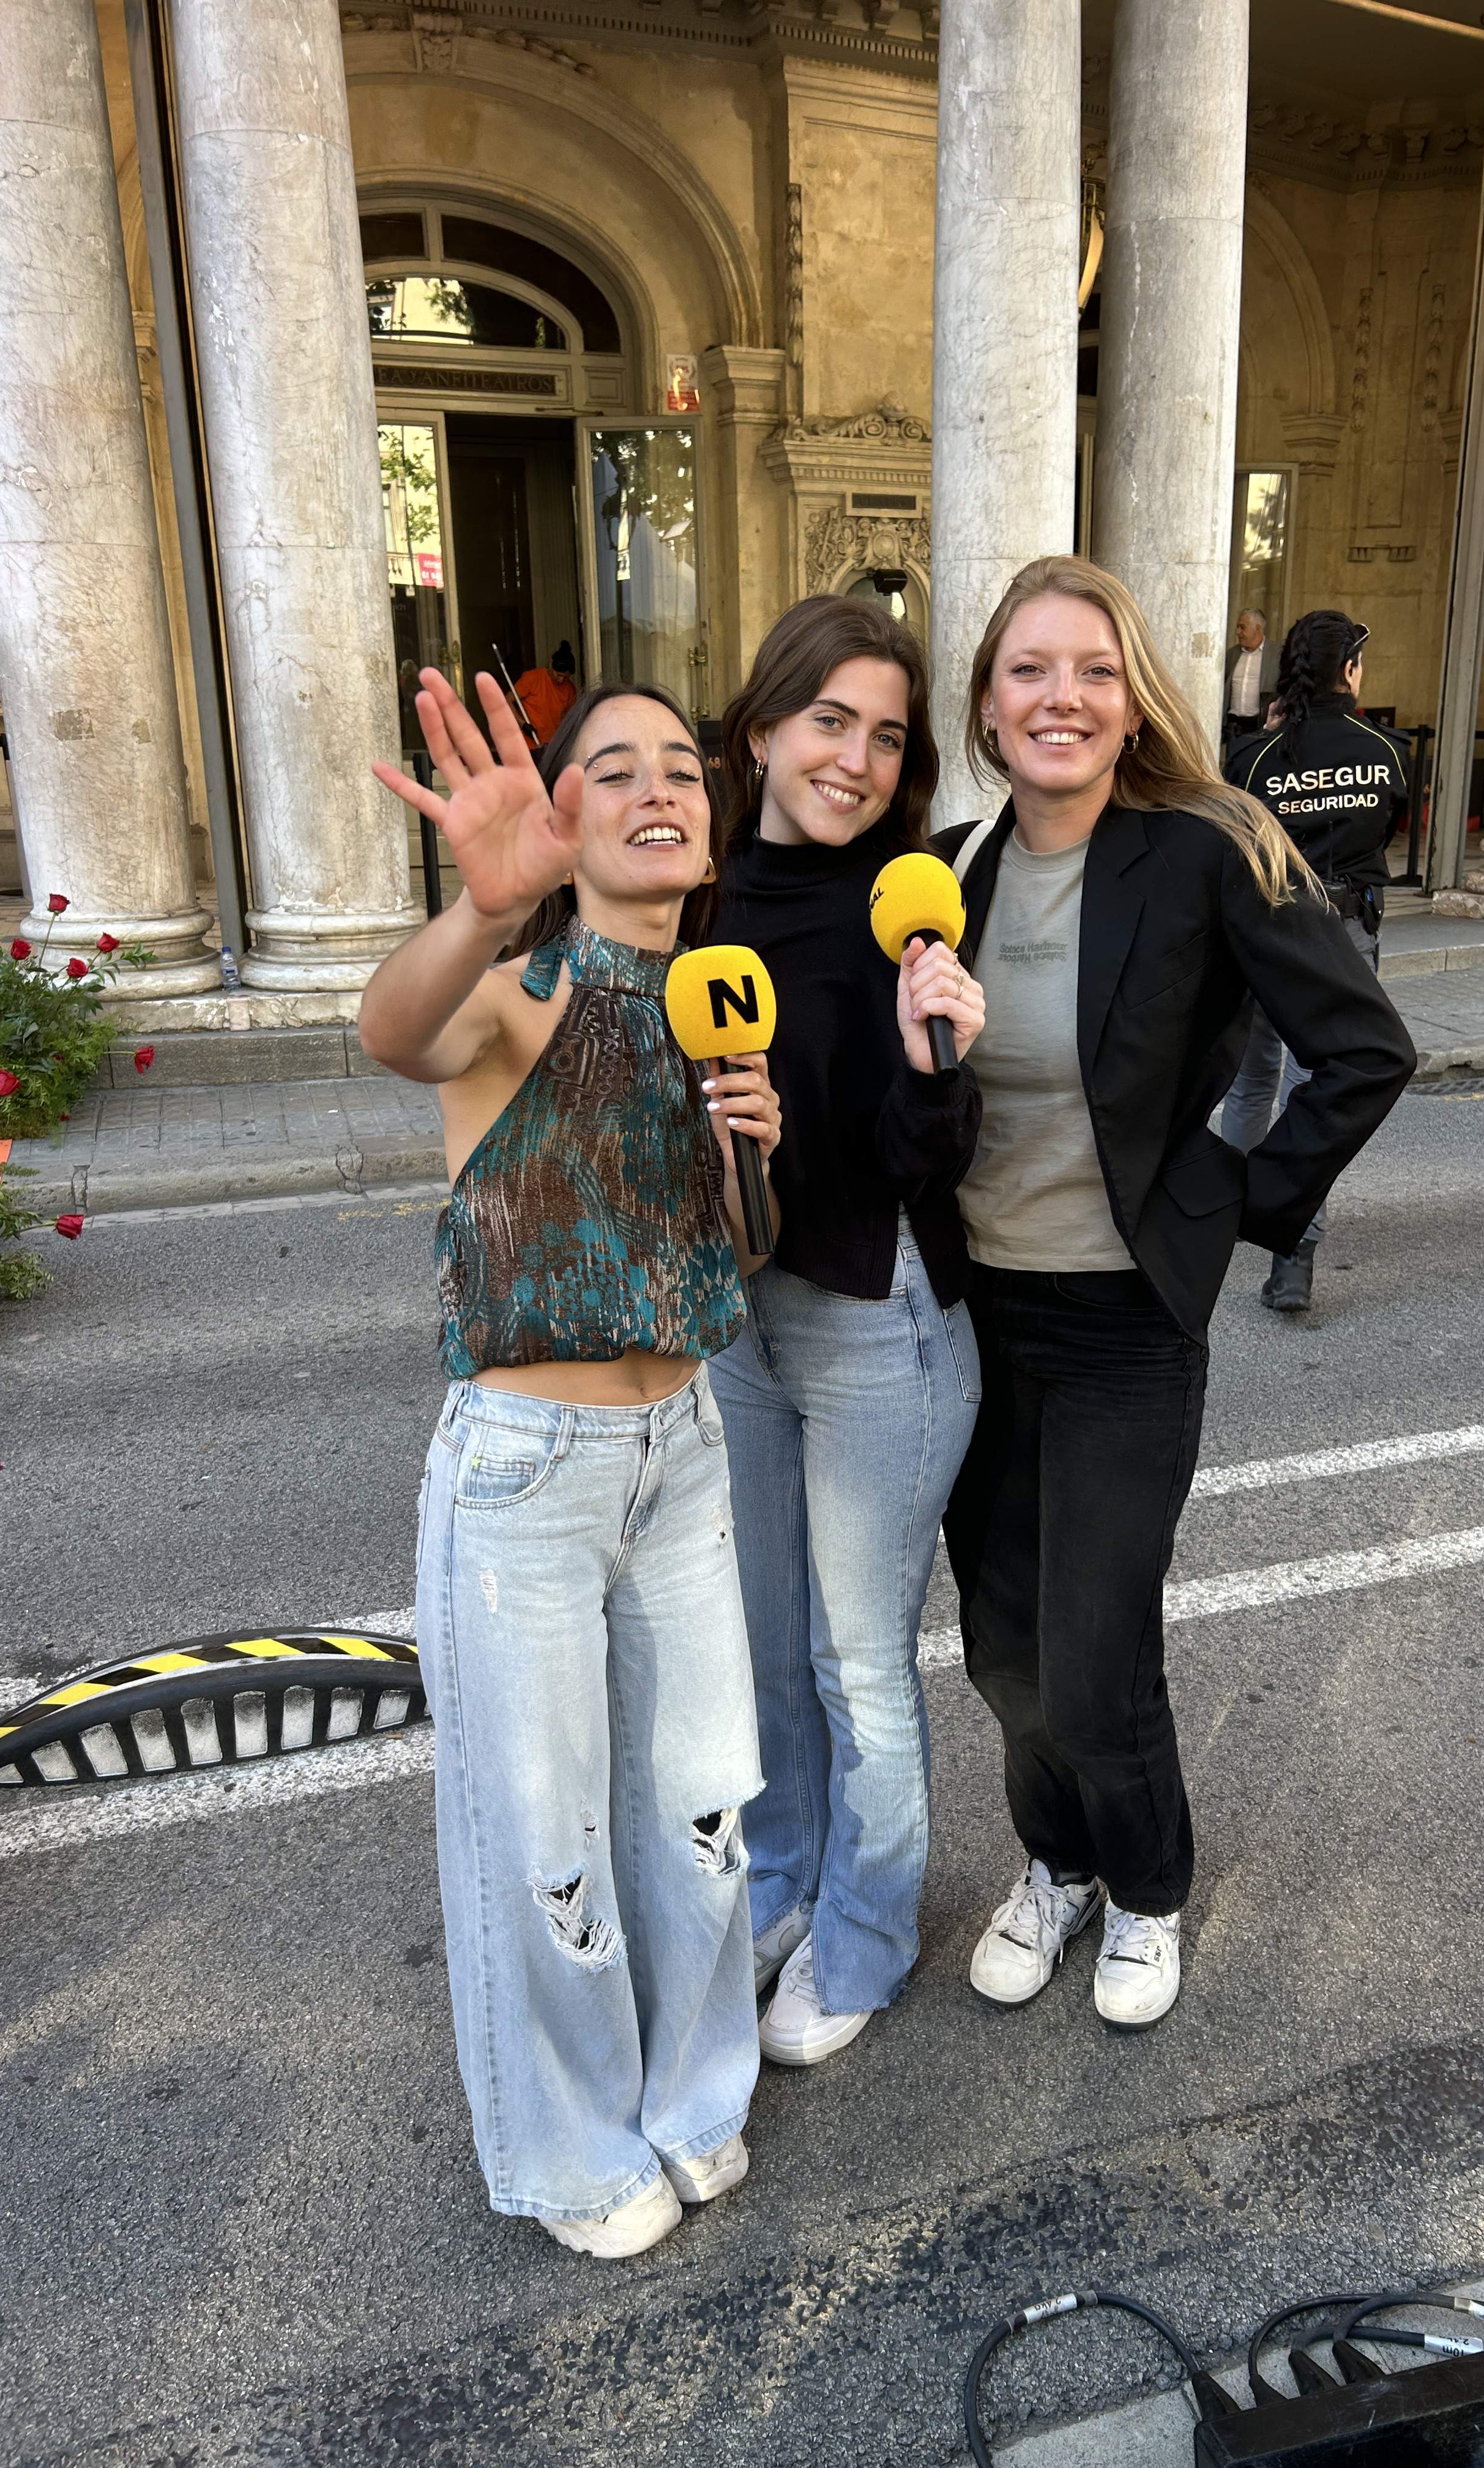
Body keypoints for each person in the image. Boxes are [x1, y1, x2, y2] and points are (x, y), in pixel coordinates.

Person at [934, 555, 1414, 2031]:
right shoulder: (951, 867)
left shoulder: (1207, 848)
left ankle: (1147, 1889)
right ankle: (1057, 1861)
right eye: (1030, 669)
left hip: (1127, 1324)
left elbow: (1362, 1049)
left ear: (1131, 693)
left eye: (1091, 667)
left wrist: (1239, 1202)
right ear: (990, 701)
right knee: (1002, 1643)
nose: (1060, 696)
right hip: (976, 1324)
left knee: (1095, 1643)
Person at [360, 666, 781, 2260]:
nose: (659, 786)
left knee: (699, 1811)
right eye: (613, 769)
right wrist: (479, 912)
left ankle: (695, 2093)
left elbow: (731, 1255)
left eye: (682, 764)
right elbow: (394, 1031)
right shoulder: (519, 989)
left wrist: (758, 1138)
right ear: (559, 815)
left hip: (684, 1454)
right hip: (525, 1478)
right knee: (546, 1841)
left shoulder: (718, 997)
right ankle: (570, 2143)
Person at [709, 596, 987, 2067]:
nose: (859, 757)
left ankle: (867, 1938)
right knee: (763, 1652)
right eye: (831, 720)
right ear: (763, 728)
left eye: (887, 734)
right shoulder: (699, 891)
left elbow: (918, 1157)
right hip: (736, 1326)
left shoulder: (917, 896)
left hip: (883, 1327)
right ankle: (785, 1882)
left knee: (852, 1661)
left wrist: (937, 1059)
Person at [1220, 609, 1411, 1312]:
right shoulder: (1387, 750)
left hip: (1262, 933)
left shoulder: (1251, 759)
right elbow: (1387, 826)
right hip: (1342, 932)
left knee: (1248, 1083)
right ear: (1351, 672)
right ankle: (1293, 1254)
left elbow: (1230, 840)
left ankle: (1224, 1213)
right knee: (1320, 1091)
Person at [1222, 608, 1278, 742]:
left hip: (1259, 726)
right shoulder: (1232, 654)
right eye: (1238, 627)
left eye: (1242, 627)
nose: (1238, 632)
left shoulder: (1277, 654)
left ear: (1258, 628)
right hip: (1233, 726)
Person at [513, 639, 578, 747]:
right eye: (559, 675)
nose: (561, 680)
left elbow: (569, 720)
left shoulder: (570, 689)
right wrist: (522, 724)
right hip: (529, 744)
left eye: (566, 678)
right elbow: (507, 701)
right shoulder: (532, 678)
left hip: (553, 746)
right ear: (551, 664)